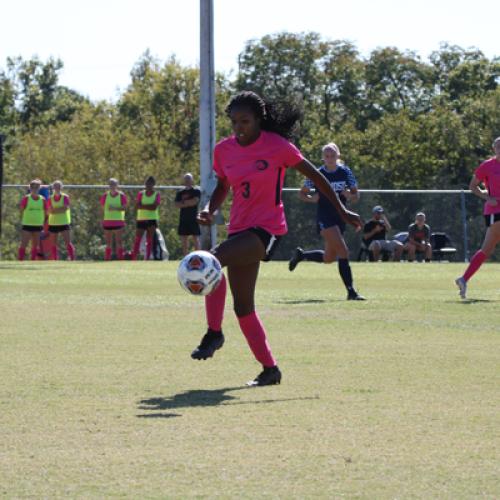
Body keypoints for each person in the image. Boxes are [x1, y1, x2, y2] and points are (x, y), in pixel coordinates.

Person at [192, 91, 361, 386]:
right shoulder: (224, 150)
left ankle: (214, 333)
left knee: (212, 260)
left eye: (245, 121)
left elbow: (317, 178)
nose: (238, 127)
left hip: (267, 230)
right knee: (243, 308)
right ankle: (270, 370)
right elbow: (223, 185)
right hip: (239, 228)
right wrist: (209, 208)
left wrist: (343, 210)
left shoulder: (278, 147)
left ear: (259, 120)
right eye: (234, 122)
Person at [288, 142, 365, 300]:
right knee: (343, 251)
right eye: (327, 156)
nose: (330, 159)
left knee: (329, 258)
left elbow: (356, 195)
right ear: (323, 158)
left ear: (338, 156)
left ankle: (302, 256)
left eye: (332, 155)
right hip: (325, 217)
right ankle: (351, 292)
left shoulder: (345, 172)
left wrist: (349, 195)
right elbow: (302, 194)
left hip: (341, 217)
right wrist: (312, 198)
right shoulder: (318, 173)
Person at [455, 137, 500, 299]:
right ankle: (463, 279)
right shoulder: (487, 166)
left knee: (486, 250)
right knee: (486, 249)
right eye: (498, 146)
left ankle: (463, 279)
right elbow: (473, 186)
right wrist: (487, 198)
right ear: (493, 149)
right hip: (496, 211)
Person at [131, 176, 161, 260]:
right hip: (141, 218)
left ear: (153, 184)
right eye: (146, 183)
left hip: (152, 219)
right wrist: (148, 206)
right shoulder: (141, 194)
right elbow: (137, 206)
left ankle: (147, 258)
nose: (148, 185)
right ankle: (134, 258)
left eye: (150, 183)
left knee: (149, 239)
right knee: (138, 239)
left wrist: (143, 206)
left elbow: (154, 207)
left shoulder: (157, 194)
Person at [18, 179, 48, 261]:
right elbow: (21, 210)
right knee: (23, 244)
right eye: (33, 187)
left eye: (37, 187)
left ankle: (33, 260)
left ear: (39, 188)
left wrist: (42, 222)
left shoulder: (43, 200)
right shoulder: (26, 198)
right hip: (27, 224)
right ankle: (20, 260)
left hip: (38, 225)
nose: (35, 189)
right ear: (30, 188)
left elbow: (46, 212)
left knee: (35, 245)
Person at [47, 180, 76, 260]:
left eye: (59, 186)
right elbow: (49, 211)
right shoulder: (50, 198)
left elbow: (65, 208)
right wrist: (58, 209)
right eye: (55, 186)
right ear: (53, 188)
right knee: (53, 244)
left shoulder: (65, 197)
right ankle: (55, 259)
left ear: (61, 187)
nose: (57, 188)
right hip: (53, 223)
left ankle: (72, 258)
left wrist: (55, 211)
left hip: (64, 222)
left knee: (68, 242)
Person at [100, 178, 127, 260]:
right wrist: (101, 220)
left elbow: (124, 208)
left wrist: (114, 208)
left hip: (118, 222)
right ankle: (107, 259)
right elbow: (101, 209)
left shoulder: (121, 195)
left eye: (114, 184)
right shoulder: (105, 196)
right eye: (111, 184)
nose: (112, 186)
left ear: (117, 185)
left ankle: (121, 259)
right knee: (108, 243)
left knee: (119, 242)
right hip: (107, 221)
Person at [175, 173, 201, 255]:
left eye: (189, 179)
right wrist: (188, 203)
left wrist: (183, 203)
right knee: (184, 239)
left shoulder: (196, 191)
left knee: (195, 238)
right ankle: (185, 257)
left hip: (193, 218)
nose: (187, 181)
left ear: (192, 180)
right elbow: (176, 204)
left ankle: (197, 255)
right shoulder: (180, 192)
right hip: (183, 218)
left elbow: (195, 201)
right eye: (186, 179)